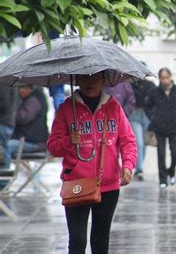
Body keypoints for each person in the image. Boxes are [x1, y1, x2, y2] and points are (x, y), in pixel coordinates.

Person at [47, 72, 137, 254]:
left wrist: (128, 165)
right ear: (77, 80)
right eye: (85, 78)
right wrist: (68, 142)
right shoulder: (66, 109)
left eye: (96, 77)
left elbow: (128, 140)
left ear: (103, 80)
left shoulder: (114, 108)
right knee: (78, 240)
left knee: (100, 240)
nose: (90, 82)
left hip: (109, 185)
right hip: (76, 184)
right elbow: (52, 146)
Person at [145, 68, 176, 188]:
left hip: (175, 127)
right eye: (162, 78)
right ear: (159, 79)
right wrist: (152, 117)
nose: (165, 80)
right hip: (160, 127)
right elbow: (147, 106)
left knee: (175, 153)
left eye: (166, 77)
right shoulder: (155, 91)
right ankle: (163, 179)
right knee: (161, 154)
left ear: (170, 77)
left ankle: (172, 170)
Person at [3, 85, 49, 169]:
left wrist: (10, 114)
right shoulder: (34, 98)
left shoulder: (33, 100)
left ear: (29, 88)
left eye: (21, 88)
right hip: (32, 140)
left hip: (35, 142)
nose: (19, 91)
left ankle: (5, 172)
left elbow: (23, 118)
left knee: (7, 146)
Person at [130, 76, 155, 181]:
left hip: (146, 115)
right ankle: (139, 169)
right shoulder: (130, 85)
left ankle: (140, 166)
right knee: (138, 142)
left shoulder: (150, 85)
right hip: (134, 114)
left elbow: (154, 100)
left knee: (144, 142)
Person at [0, 85, 18, 169]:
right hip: (7, 121)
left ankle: (4, 174)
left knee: (3, 148)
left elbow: (4, 103)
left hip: (3, 121)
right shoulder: (10, 81)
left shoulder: (4, 82)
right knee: (4, 147)